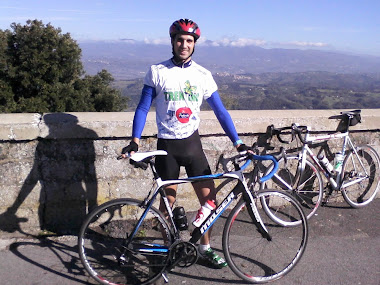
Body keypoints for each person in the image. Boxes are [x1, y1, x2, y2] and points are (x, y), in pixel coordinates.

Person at [122, 18, 248, 268]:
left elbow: (221, 112)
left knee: (209, 203)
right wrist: (134, 141)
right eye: (180, 39)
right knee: (166, 206)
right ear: (173, 41)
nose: (184, 44)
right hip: (166, 147)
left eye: (189, 40)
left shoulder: (202, 75)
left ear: (194, 44)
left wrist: (238, 142)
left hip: (192, 146)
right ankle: (170, 248)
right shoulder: (157, 71)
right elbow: (143, 107)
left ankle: (204, 248)